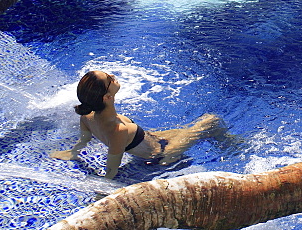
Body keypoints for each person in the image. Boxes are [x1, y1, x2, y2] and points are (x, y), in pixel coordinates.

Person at [50, 70, 229, 179]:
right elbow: (112, 168)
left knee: (202, 126)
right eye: (109, 79)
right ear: (107, 97)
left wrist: (73, 153)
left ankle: (226, 142)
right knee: (211, 121)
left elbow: (84, 140)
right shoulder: (117, 130)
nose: (112, 76)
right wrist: (104, 190)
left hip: (152, 138)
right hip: (161, 155)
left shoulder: (87, 117)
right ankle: (232, 149)